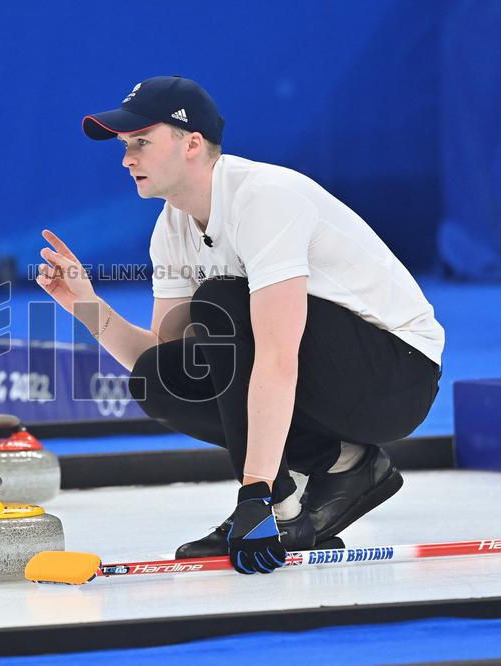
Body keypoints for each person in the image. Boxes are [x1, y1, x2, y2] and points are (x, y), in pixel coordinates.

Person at [35, 75, 444, 575]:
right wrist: (86, 305)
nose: (127, 159)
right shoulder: (173, 225)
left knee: (222, 301)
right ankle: (342, 464)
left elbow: (277, 355)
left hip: (397, 377)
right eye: (124, 146)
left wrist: (256, 494)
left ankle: (282, 501)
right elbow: (171, 358)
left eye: (141, 142)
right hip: (330, 377)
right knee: (158, 378)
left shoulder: (263, 198)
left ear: (192, 143)